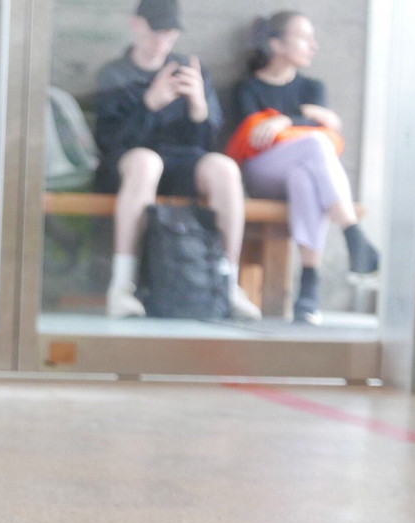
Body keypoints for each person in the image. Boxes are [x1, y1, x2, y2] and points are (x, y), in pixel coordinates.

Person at [94, 0, 261, 320]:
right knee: (146, 162)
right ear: (136, 25)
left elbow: (207, 142)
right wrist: (150, 104)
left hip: (182, 163)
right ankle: (121, 287)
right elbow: (109, 141)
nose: (162, 40)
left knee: (224, 168)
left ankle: (226, 283)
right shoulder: (114, 74)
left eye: (169, 32)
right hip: (129, 167)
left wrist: (199, 106)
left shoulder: (190, 70)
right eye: (156, 30)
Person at [233, 11, 379, 325]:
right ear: (276, 44)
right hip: (261, 174)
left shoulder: (313, 87)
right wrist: (308, 119)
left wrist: (286, 120)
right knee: (314, 145)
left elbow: (326, 133)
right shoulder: (246, 88)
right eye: (303, 37)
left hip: (300, 172)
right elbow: (257, 138)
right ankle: (351, 232)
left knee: (304, 176)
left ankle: (308, 289)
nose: (312, 45)